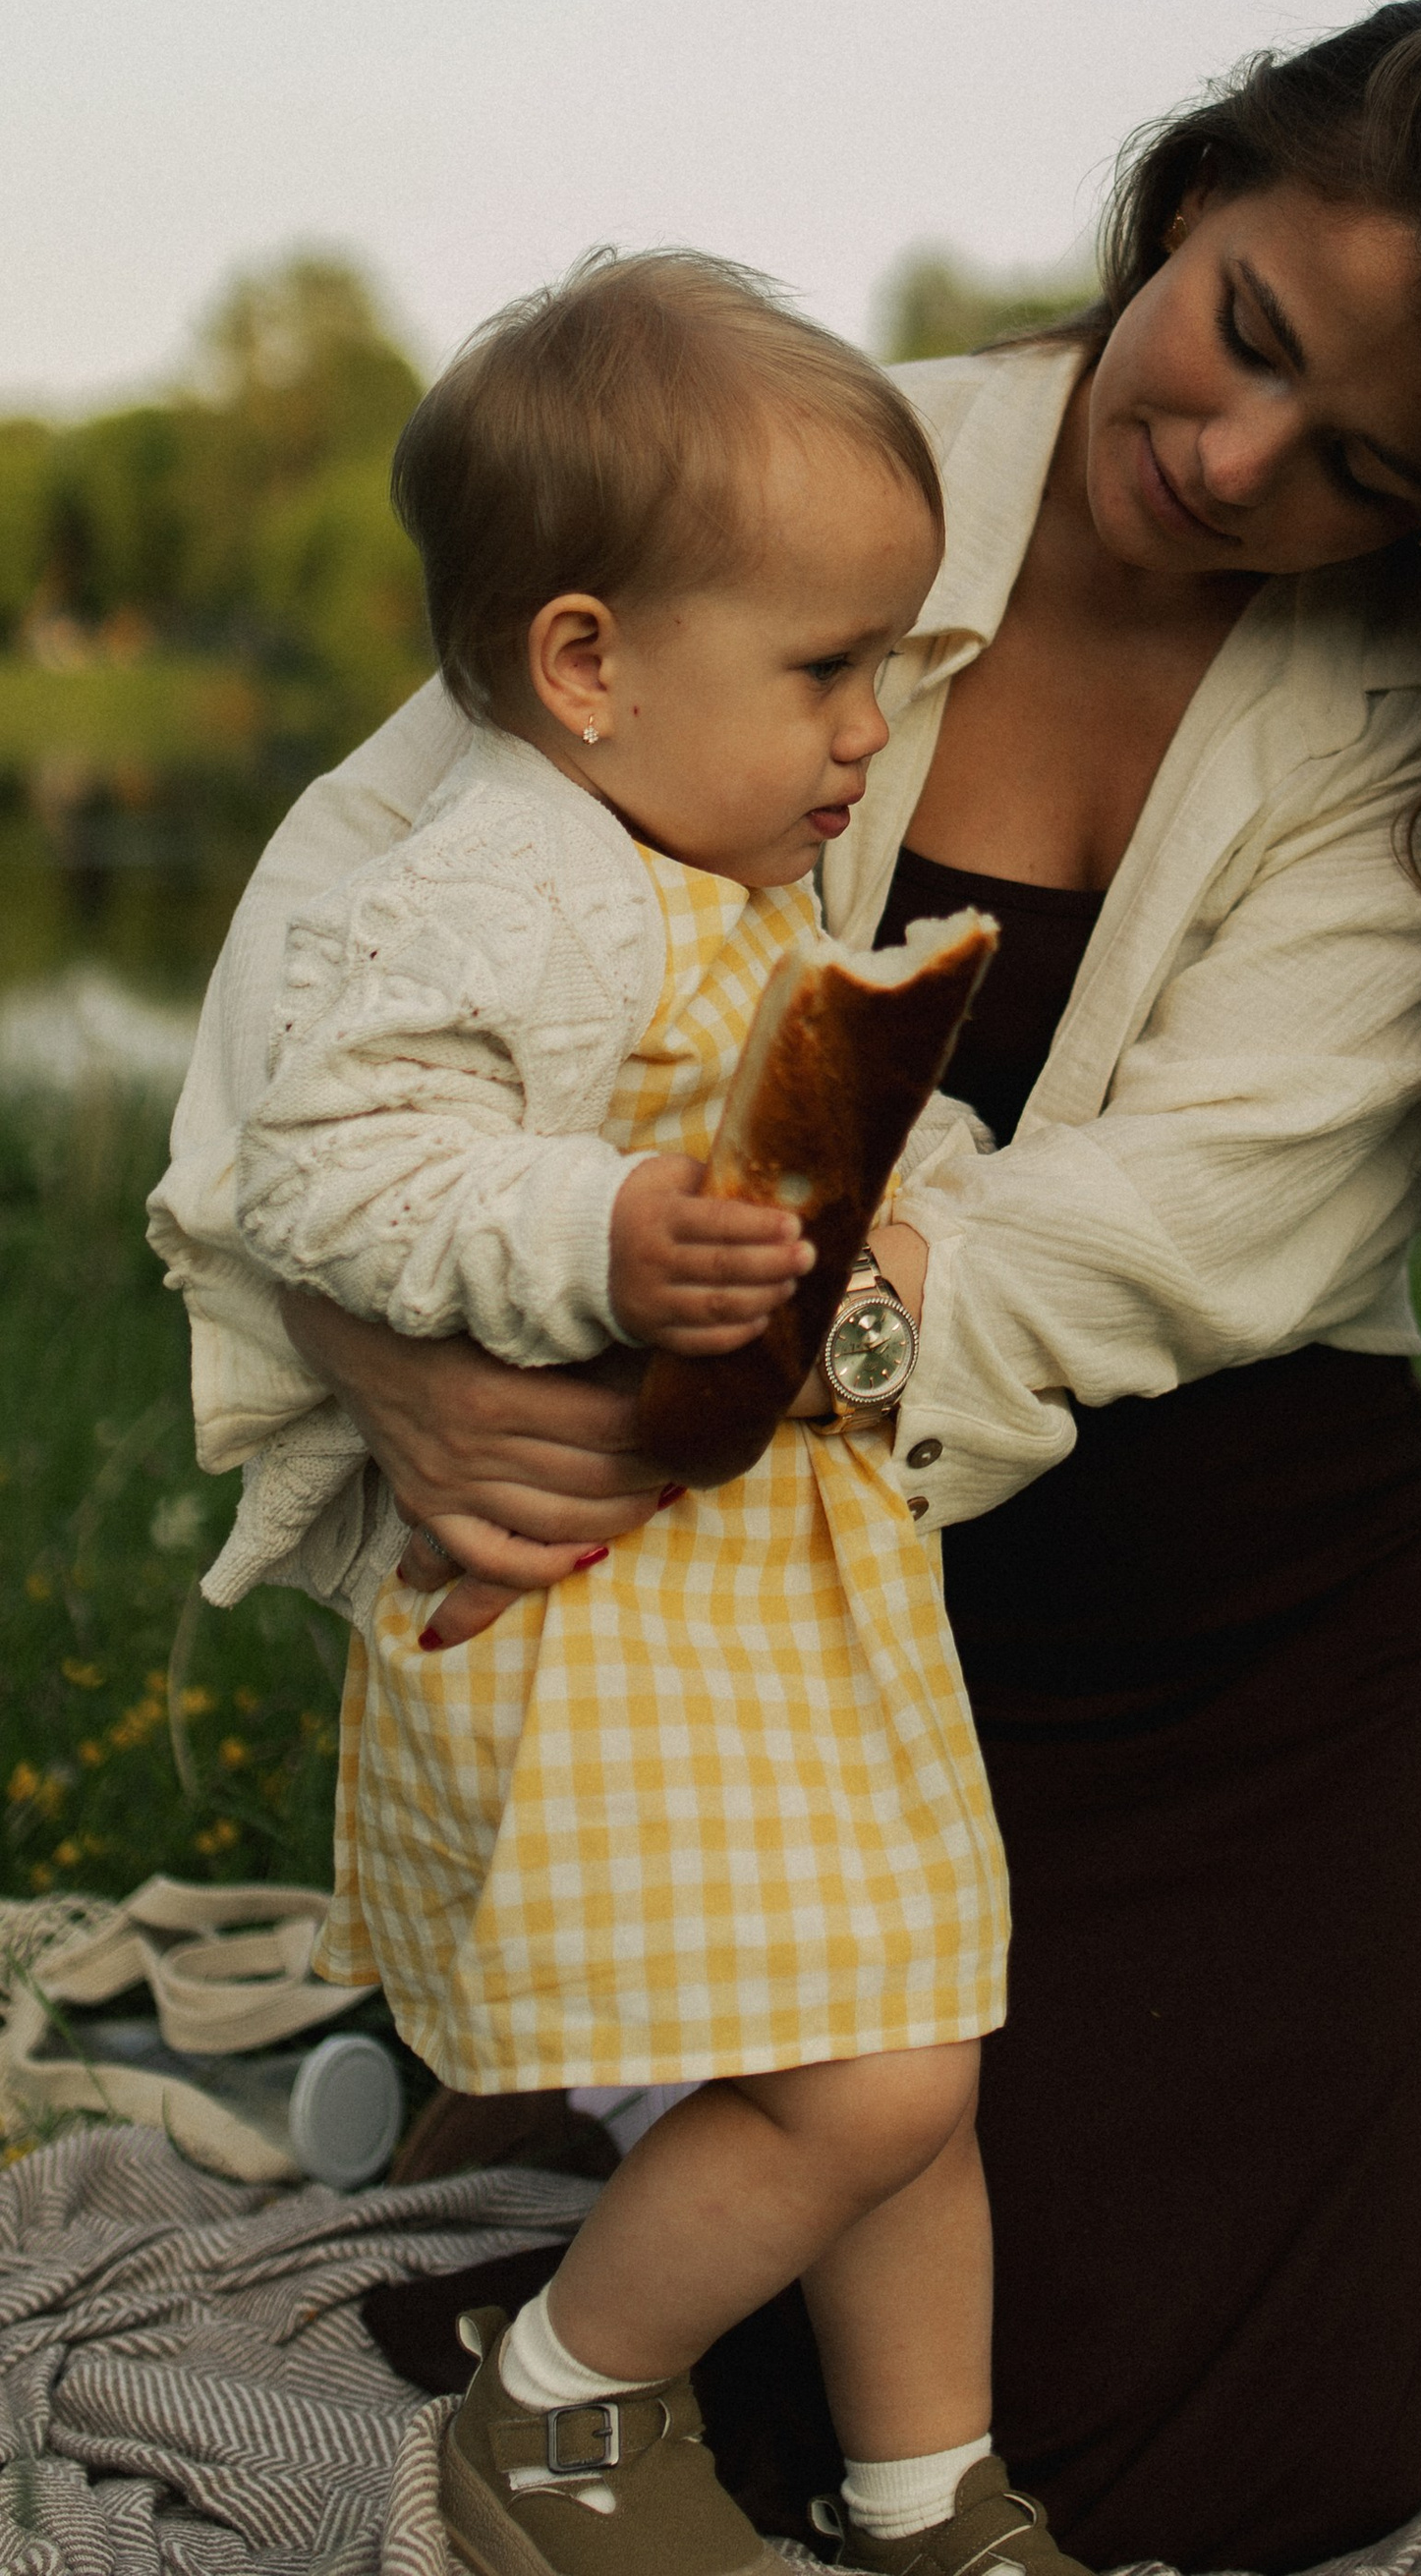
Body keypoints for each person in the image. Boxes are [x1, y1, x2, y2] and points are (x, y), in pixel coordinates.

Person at [156, 0, 1421, 2576]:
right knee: (745, 2358)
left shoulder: (1412, 723)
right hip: (716, 1572)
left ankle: (542, 2108)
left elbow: (1144, 1252)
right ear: (1195, 191)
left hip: (1183, 1604)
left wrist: (700, 1380)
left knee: (1186, 2466)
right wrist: (399, 1351)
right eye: (1250, 335)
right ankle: (533, 2110)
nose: (1228, 456)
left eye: (1365, 468)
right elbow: (335, 966)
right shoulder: (799, 466)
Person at [157, 253, 1084, 2576]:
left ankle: (924, 2502)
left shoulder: (717, 873)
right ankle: (549, 2424)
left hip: (770, 1622)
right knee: (876, 2072)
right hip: (600, 1615)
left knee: (907, 2053)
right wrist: (593, 1236)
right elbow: (328, 1158)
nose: (875, 730)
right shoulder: (509, 885)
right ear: (583, 663)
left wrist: (902, 1208)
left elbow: (809, 1120)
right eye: (823, 670)